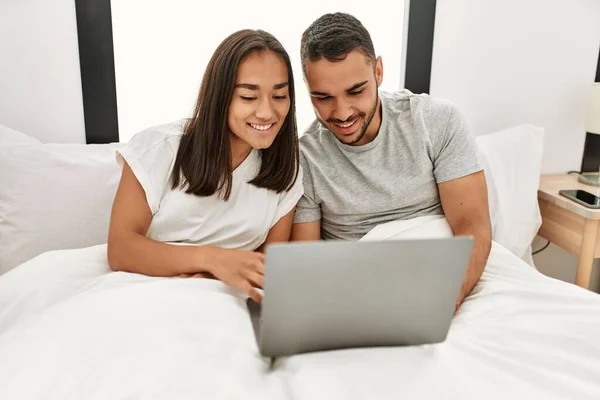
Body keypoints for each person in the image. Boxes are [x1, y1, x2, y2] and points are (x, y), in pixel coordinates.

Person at [290, 13, 492, 310]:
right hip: (357, 291)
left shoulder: (437, 121)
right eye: (323, 98)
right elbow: (305, 265)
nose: (342, 112)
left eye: (356, 91)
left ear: (379, 71)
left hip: (444, 276)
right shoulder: (305, 157)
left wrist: (447, 296)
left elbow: (472, 225)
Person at [107, 29, 303, 303]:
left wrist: (211, 277)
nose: (267, 112)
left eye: (279, 96)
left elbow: (268, 265)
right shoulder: (160, 148)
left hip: (227, 298)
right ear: (220, 96)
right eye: (248, 97)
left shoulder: (286, 170)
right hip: (144, 289)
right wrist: (211, 260)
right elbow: (121, 248)